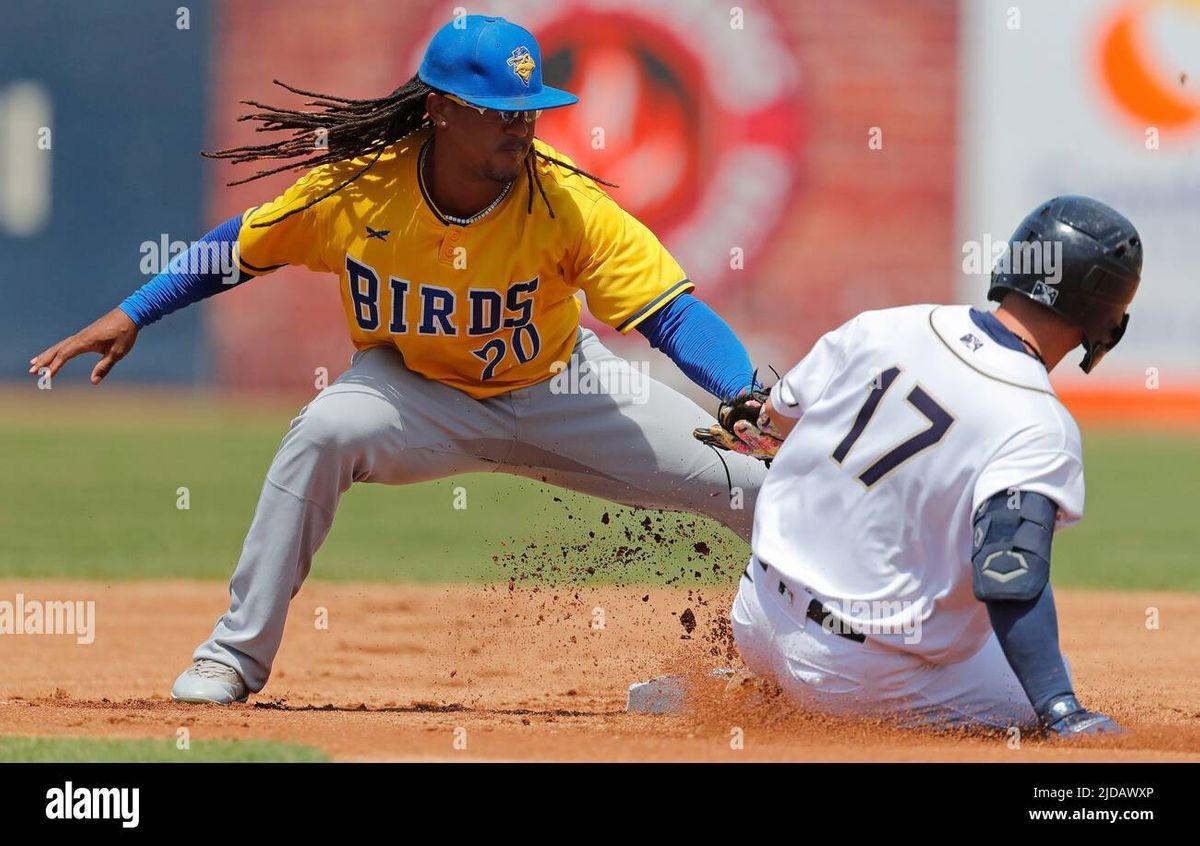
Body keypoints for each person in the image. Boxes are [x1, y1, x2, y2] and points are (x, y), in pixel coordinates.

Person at [29, 15, 766, 704]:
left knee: (759, 488)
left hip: (561, 386)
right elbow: (242, 246)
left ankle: (778, 669)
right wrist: (134, 313)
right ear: (440, 110)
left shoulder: (565, 201)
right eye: (499, 108)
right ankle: (231, 656)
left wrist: (738, 393)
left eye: (528, 107)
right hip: (413, 393)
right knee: (323, 432)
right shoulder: (360, 188)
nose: (521, 122)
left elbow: (670, 313)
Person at [702, 195, 1141, 736]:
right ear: (1103, 314)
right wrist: (1059, 709)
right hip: (860, 678)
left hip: (755, 613)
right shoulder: (1037, 422)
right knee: (1036, 697)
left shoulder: (887, 324)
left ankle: (746, 692)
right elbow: (1009, 573)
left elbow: (777, 416)